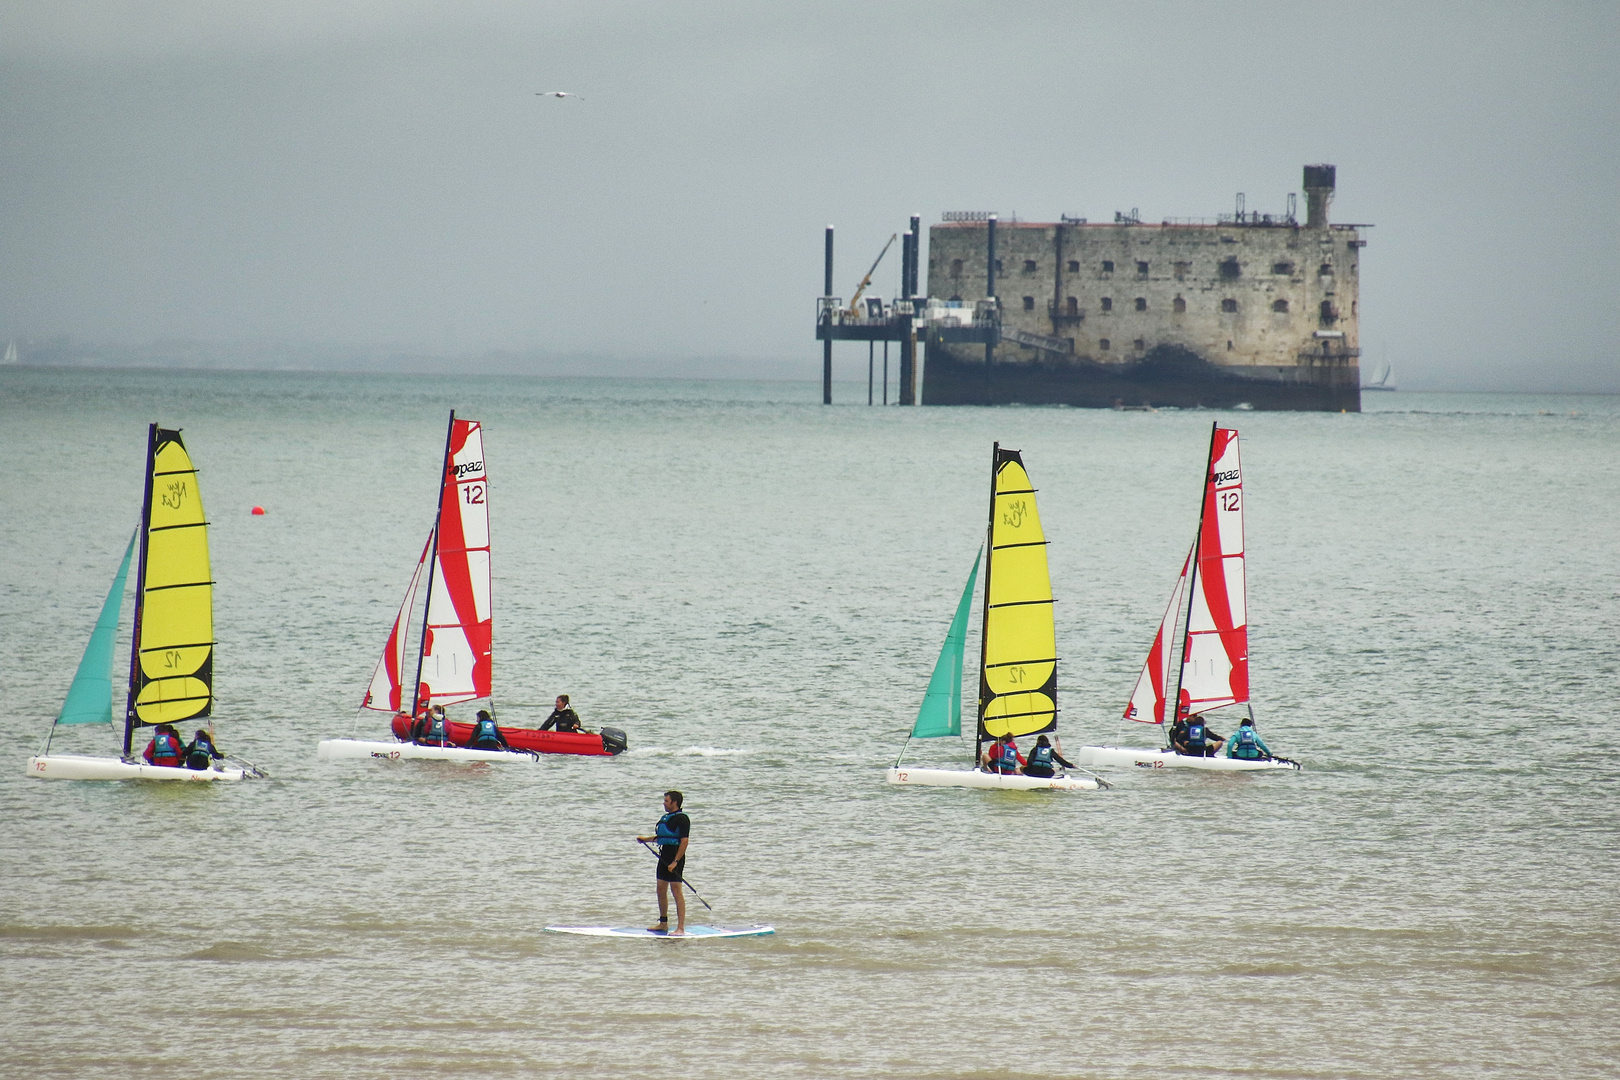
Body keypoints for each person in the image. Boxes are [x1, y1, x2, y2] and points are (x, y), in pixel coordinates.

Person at [636, 791, 690, 936]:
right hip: (664, 854)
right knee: (660, 889)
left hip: (675, 856)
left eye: (666, 801)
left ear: (674, 803)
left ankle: (680, 928)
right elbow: (662, 837)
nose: (664, 803)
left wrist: (675, 861)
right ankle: (663, 923)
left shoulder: (683, 819)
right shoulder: (666, 817)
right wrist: (645, 839)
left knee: (676, 891)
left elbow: (684, 842)